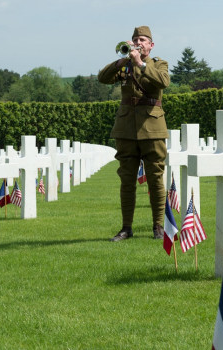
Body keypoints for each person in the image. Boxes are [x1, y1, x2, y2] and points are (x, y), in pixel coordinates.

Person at [97, 26, 170, 242]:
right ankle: (126, 228)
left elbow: (163, 82)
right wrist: (122, 60)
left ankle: (158, 226)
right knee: (126, 180)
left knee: (155, 178)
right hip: (127, 128)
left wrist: (140, 63)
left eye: (143, 40)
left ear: (151, 44)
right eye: (135, 39)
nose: (139, 42)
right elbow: (102, 77)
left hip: (153, 128)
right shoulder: (124, 64)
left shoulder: (159, 64)